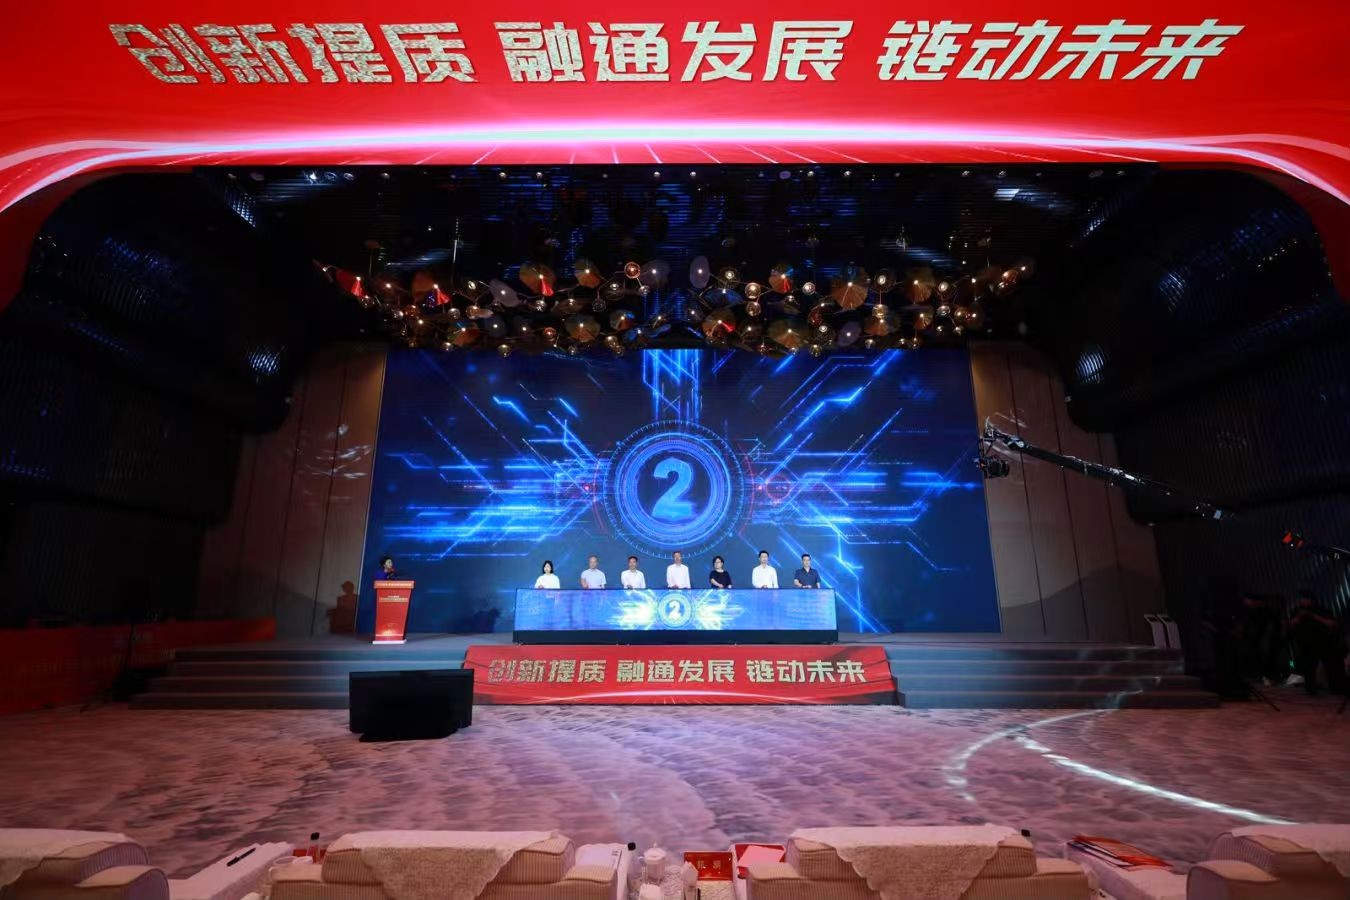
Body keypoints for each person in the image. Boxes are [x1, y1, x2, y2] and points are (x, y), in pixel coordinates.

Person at [1289, 590, 1346, 696]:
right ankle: (1311, 689)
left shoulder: (1322, 610)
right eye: (1301, 599)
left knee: (1331, 666)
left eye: (1305, 599)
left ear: (1311, 600)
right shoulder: (1296, 611)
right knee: (1308, 667)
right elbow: (1291, 624)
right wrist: (1299, 617)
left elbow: (1332, 623)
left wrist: (1313, 616)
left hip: (1324, 642)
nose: (1302, 601)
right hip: (1305, 643)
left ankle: (1336, 688)